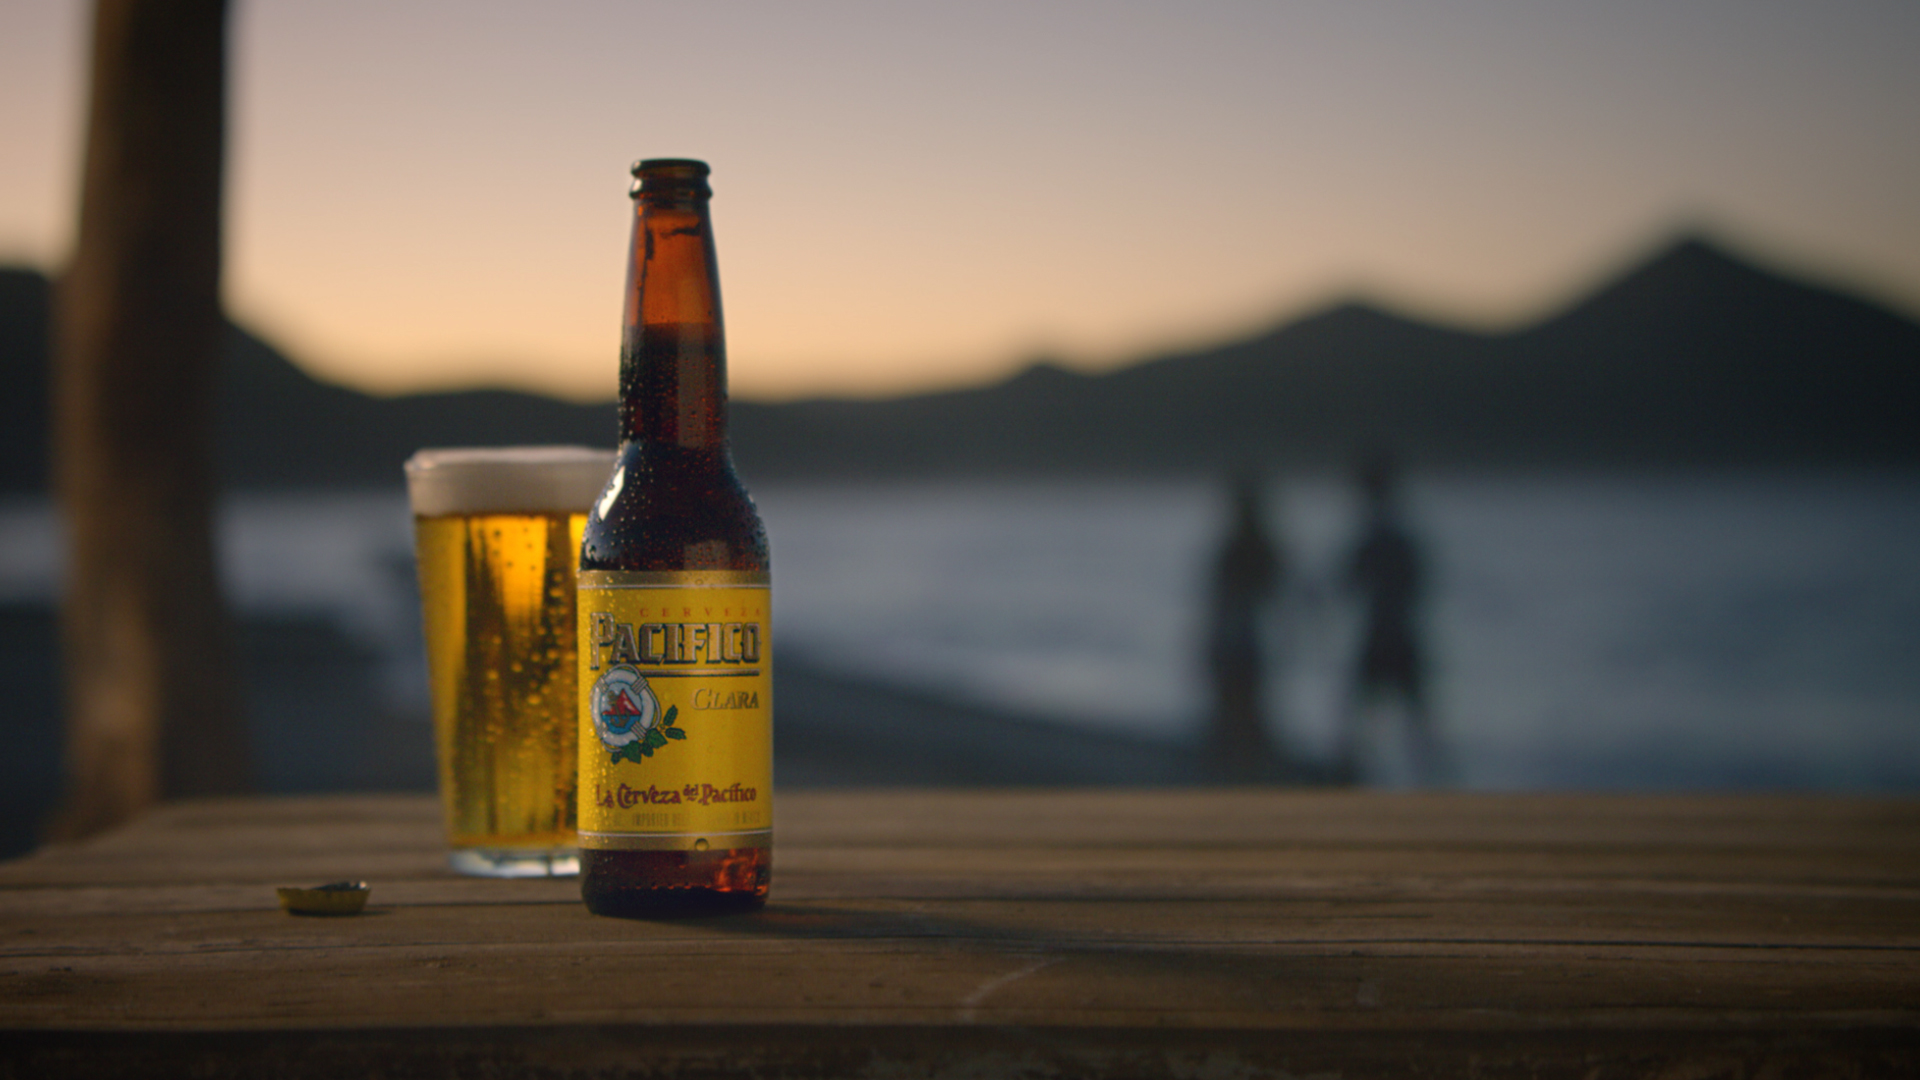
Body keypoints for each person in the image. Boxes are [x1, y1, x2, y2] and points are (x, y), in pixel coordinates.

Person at [1337, 453, 1446, 784]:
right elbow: (1418, 585)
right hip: (1397, 636)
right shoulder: (1395, 538)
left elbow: (1348, 583)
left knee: (1371, 723)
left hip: (1385, 637)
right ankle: (1431, 785)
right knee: (1409, 725)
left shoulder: (1379, 538)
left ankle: (1360, 783)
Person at [1203, 473, 1289, 780]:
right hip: (1242, 640)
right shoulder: (1257, 547)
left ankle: (1238, 775)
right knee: (1242, 712)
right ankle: (1245, 772)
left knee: (1236, 712)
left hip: (1237, 641)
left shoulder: (1240, 547)